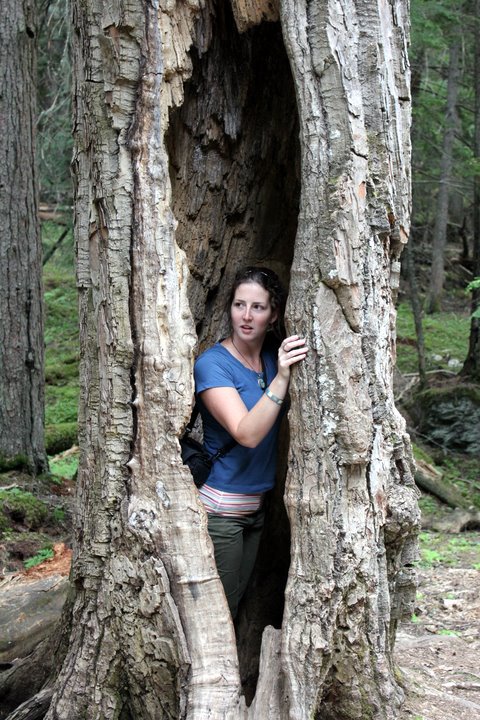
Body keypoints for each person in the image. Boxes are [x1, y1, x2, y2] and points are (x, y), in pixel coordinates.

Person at [194, 266, 308, 619]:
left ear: (273, 314)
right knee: (219, 615)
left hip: (256, 510)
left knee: (238, 605)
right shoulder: (213, 364)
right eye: (239, 305)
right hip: (221, 514)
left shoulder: (274, 355)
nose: (246, 316)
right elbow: (246, 432)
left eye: (257, 307)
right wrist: (282, 378)